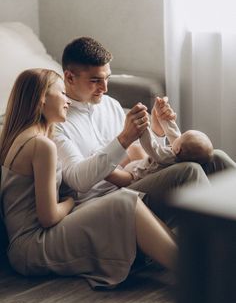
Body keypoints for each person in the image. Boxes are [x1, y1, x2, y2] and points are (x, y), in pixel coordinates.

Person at [0, 68, 177, 289]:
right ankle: (193, 271)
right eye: (62, 94)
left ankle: (190, 263)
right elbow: (48, 217)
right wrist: (71, 201)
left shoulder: (17, 136)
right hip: (31, 246)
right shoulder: (41, 145)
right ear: (42, 99)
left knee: (124, 199)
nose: (67, 101)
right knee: (125, 201)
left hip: (26, 243)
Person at [54, 37, 236, 223]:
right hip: (102, 200)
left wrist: (157, 129)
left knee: (216, 158)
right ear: (69, 77)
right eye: (95, 80)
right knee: (188, 171)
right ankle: (214, 245)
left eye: (107, 78)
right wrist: (124, 139)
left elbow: (143, 160)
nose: (105, 88)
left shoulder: (111, 106)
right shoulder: (57, 121)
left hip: (133, 180)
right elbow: (79, 182)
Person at [108, 96, 214, 183]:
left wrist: (143, 128)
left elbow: (151, 146)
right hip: (141, 164)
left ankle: (105, 168)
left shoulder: (166, 156)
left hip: (137, 176)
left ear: (178, 150)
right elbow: (174, 134)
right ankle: (116, 165)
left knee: (115, 174)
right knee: (135, 149)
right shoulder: (180, 153)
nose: (179, 135)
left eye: (182, 136)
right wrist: (165, 120)